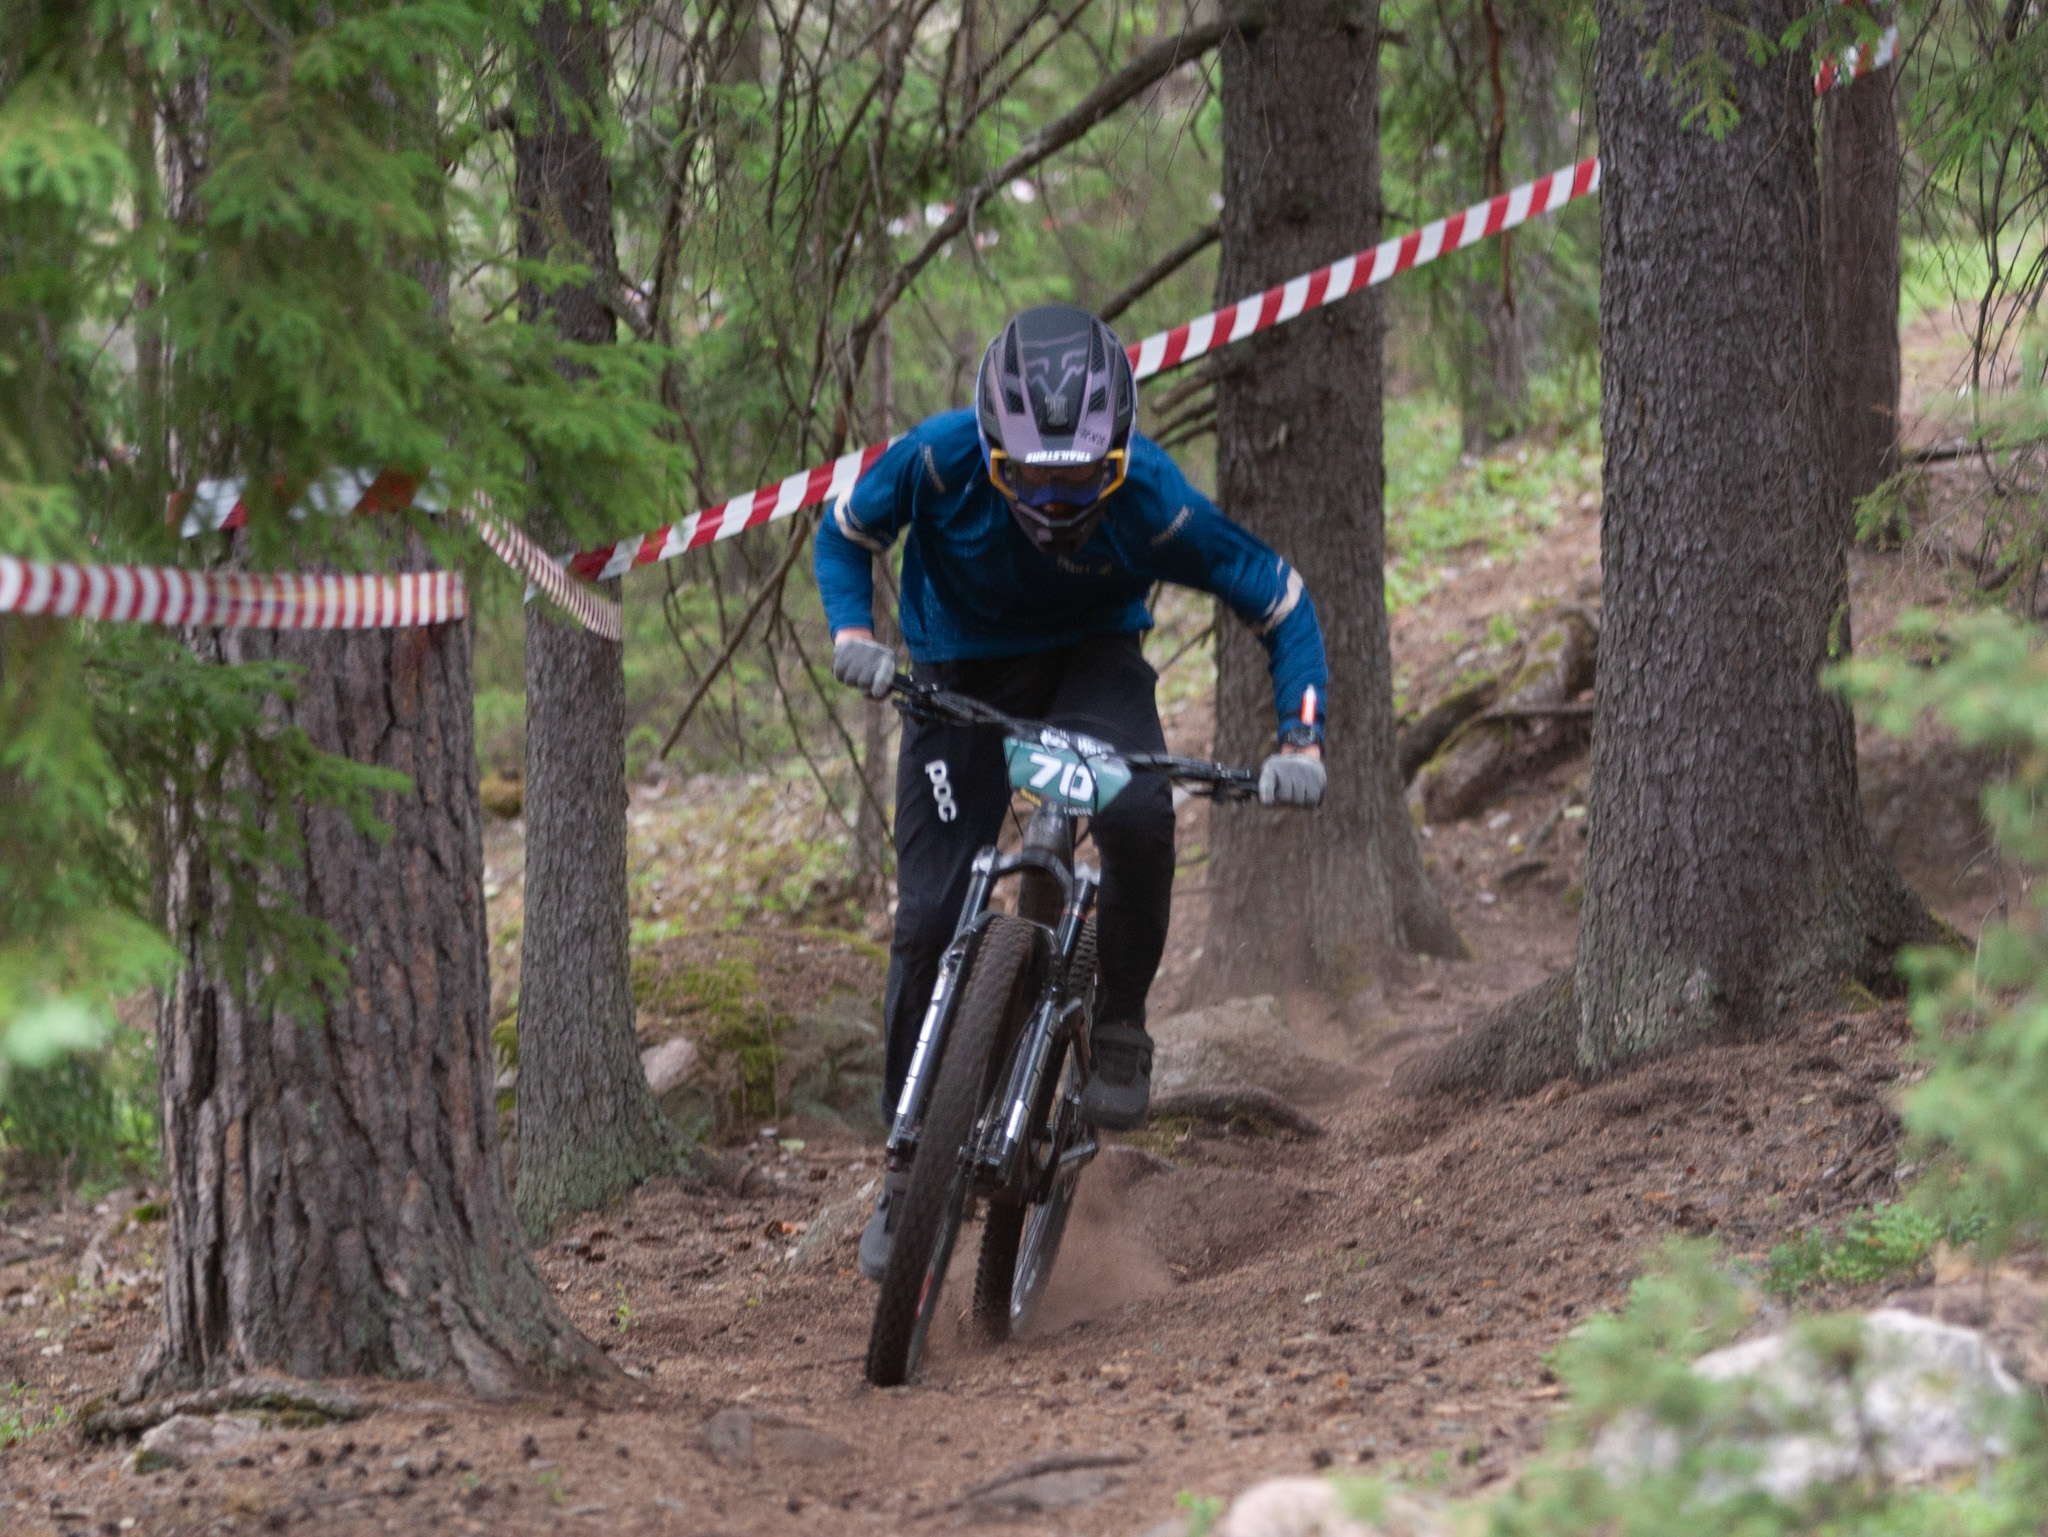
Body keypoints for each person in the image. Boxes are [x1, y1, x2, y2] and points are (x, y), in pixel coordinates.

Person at [818, 303, 1329, 1281]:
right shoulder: (936, 460)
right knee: (927, 915)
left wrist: (1300, 738)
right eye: (1031, 479)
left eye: (1080, 480)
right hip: (956, 671)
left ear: (1117, 455)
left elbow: (1278, 596)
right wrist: (852, 632)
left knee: (1138, 817)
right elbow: (843, 534)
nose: (1055, 504)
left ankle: (1121, 1019)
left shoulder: (1153, 495)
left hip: (1091, 664)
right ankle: (905, 1159)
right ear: (992, 452)